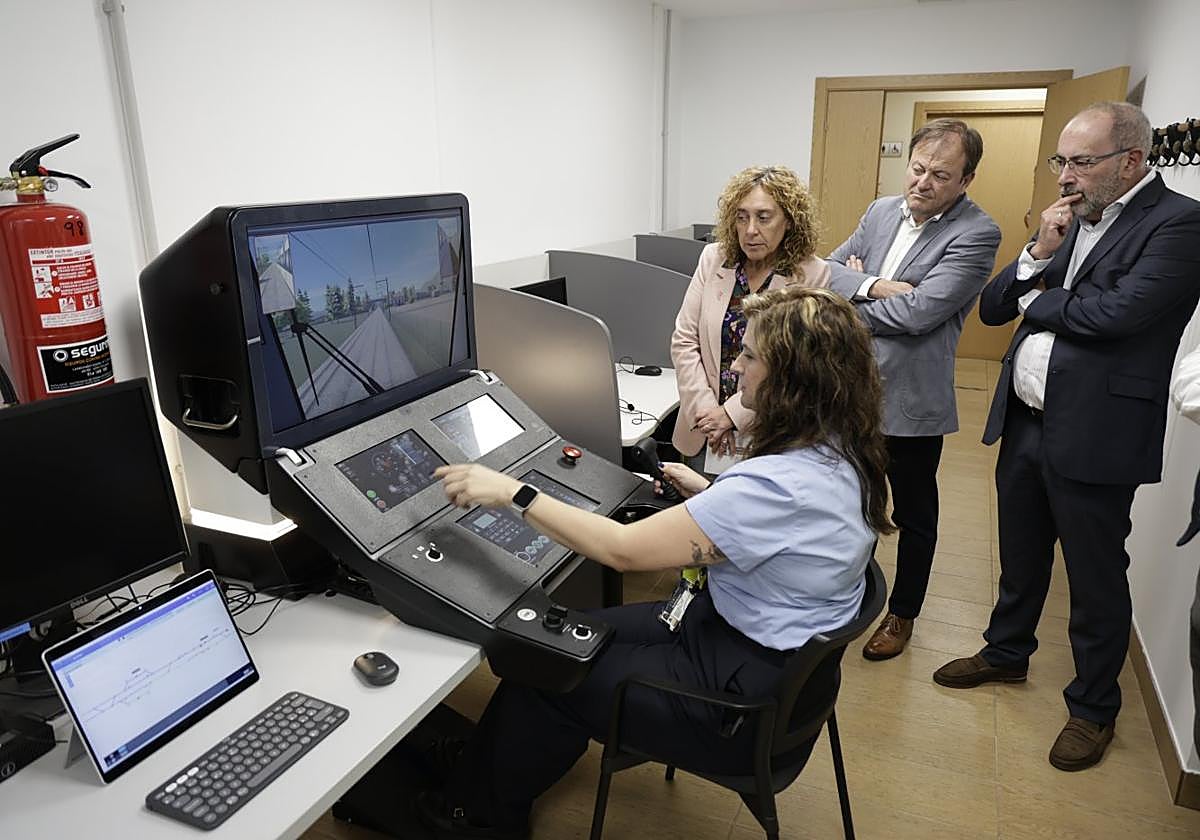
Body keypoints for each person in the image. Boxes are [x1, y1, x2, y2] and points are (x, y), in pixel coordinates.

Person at [418, 286, 894, 839]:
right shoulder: (844, 450)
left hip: (733, 703)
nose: (737, 366)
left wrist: (515, 494)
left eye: (752, 356)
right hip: (768, 666)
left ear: (793, 378)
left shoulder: (776, 487)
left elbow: (621, 552)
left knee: (546, 668)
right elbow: (776, 526)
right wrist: (710, 493)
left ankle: (480, 818)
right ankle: (490, 763)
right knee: (555, 640)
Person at [933, 102, 1200, 772]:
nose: (1065, 177)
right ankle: (1005, 653)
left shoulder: (1180, 223)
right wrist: (1035, 256)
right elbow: (994, 309)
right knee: (1019, 555)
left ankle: (1093, 708)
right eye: (1061, 161)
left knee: (1094, 576)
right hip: (1027, 421)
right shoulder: (1067, 220)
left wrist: (1041, 303)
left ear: (1132, 161)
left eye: (1082, 162)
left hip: (1100, 435)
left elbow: (1118, 315)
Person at [827, 118, 1001, 660]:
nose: (923, 182)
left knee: (914, 514)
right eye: (918, 169)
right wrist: (872, 285)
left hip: (909, 400)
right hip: (848, 391)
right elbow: (827, 272)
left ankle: (902, 615)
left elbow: (924, 311)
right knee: (843, 501)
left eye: (940, 175)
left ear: (966, 179)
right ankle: (840, 597)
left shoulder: (977, 233)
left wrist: (853, 301)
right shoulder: (881, 211)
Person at [670, 165, 829, 472]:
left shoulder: (811, 273)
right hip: (703, 429)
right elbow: (684, 340)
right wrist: (707, 412)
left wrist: (731, 415)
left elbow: (795, 367)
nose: (750, 230)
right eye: (741, 217)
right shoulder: (714, 259)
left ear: (790, 221)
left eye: (763, 217)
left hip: (767, 433)